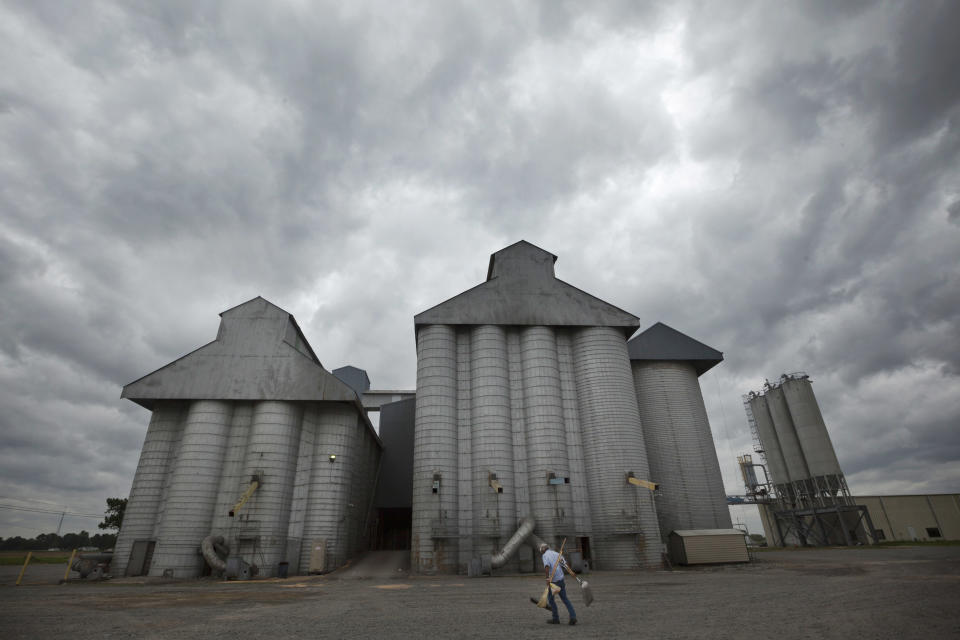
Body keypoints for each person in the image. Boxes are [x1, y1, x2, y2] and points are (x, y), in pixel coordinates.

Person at [540, 542, 577, 625]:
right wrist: (571, 573)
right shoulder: (557, 554)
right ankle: (573, 616)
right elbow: (565, 565)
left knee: (551, 600)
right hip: (561, 580)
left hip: (553, 582)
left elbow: (546, 566)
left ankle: (555, 618)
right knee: (565, 599)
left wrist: (547, 578)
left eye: (541, 550)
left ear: (543, 550)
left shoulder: (545, 555)